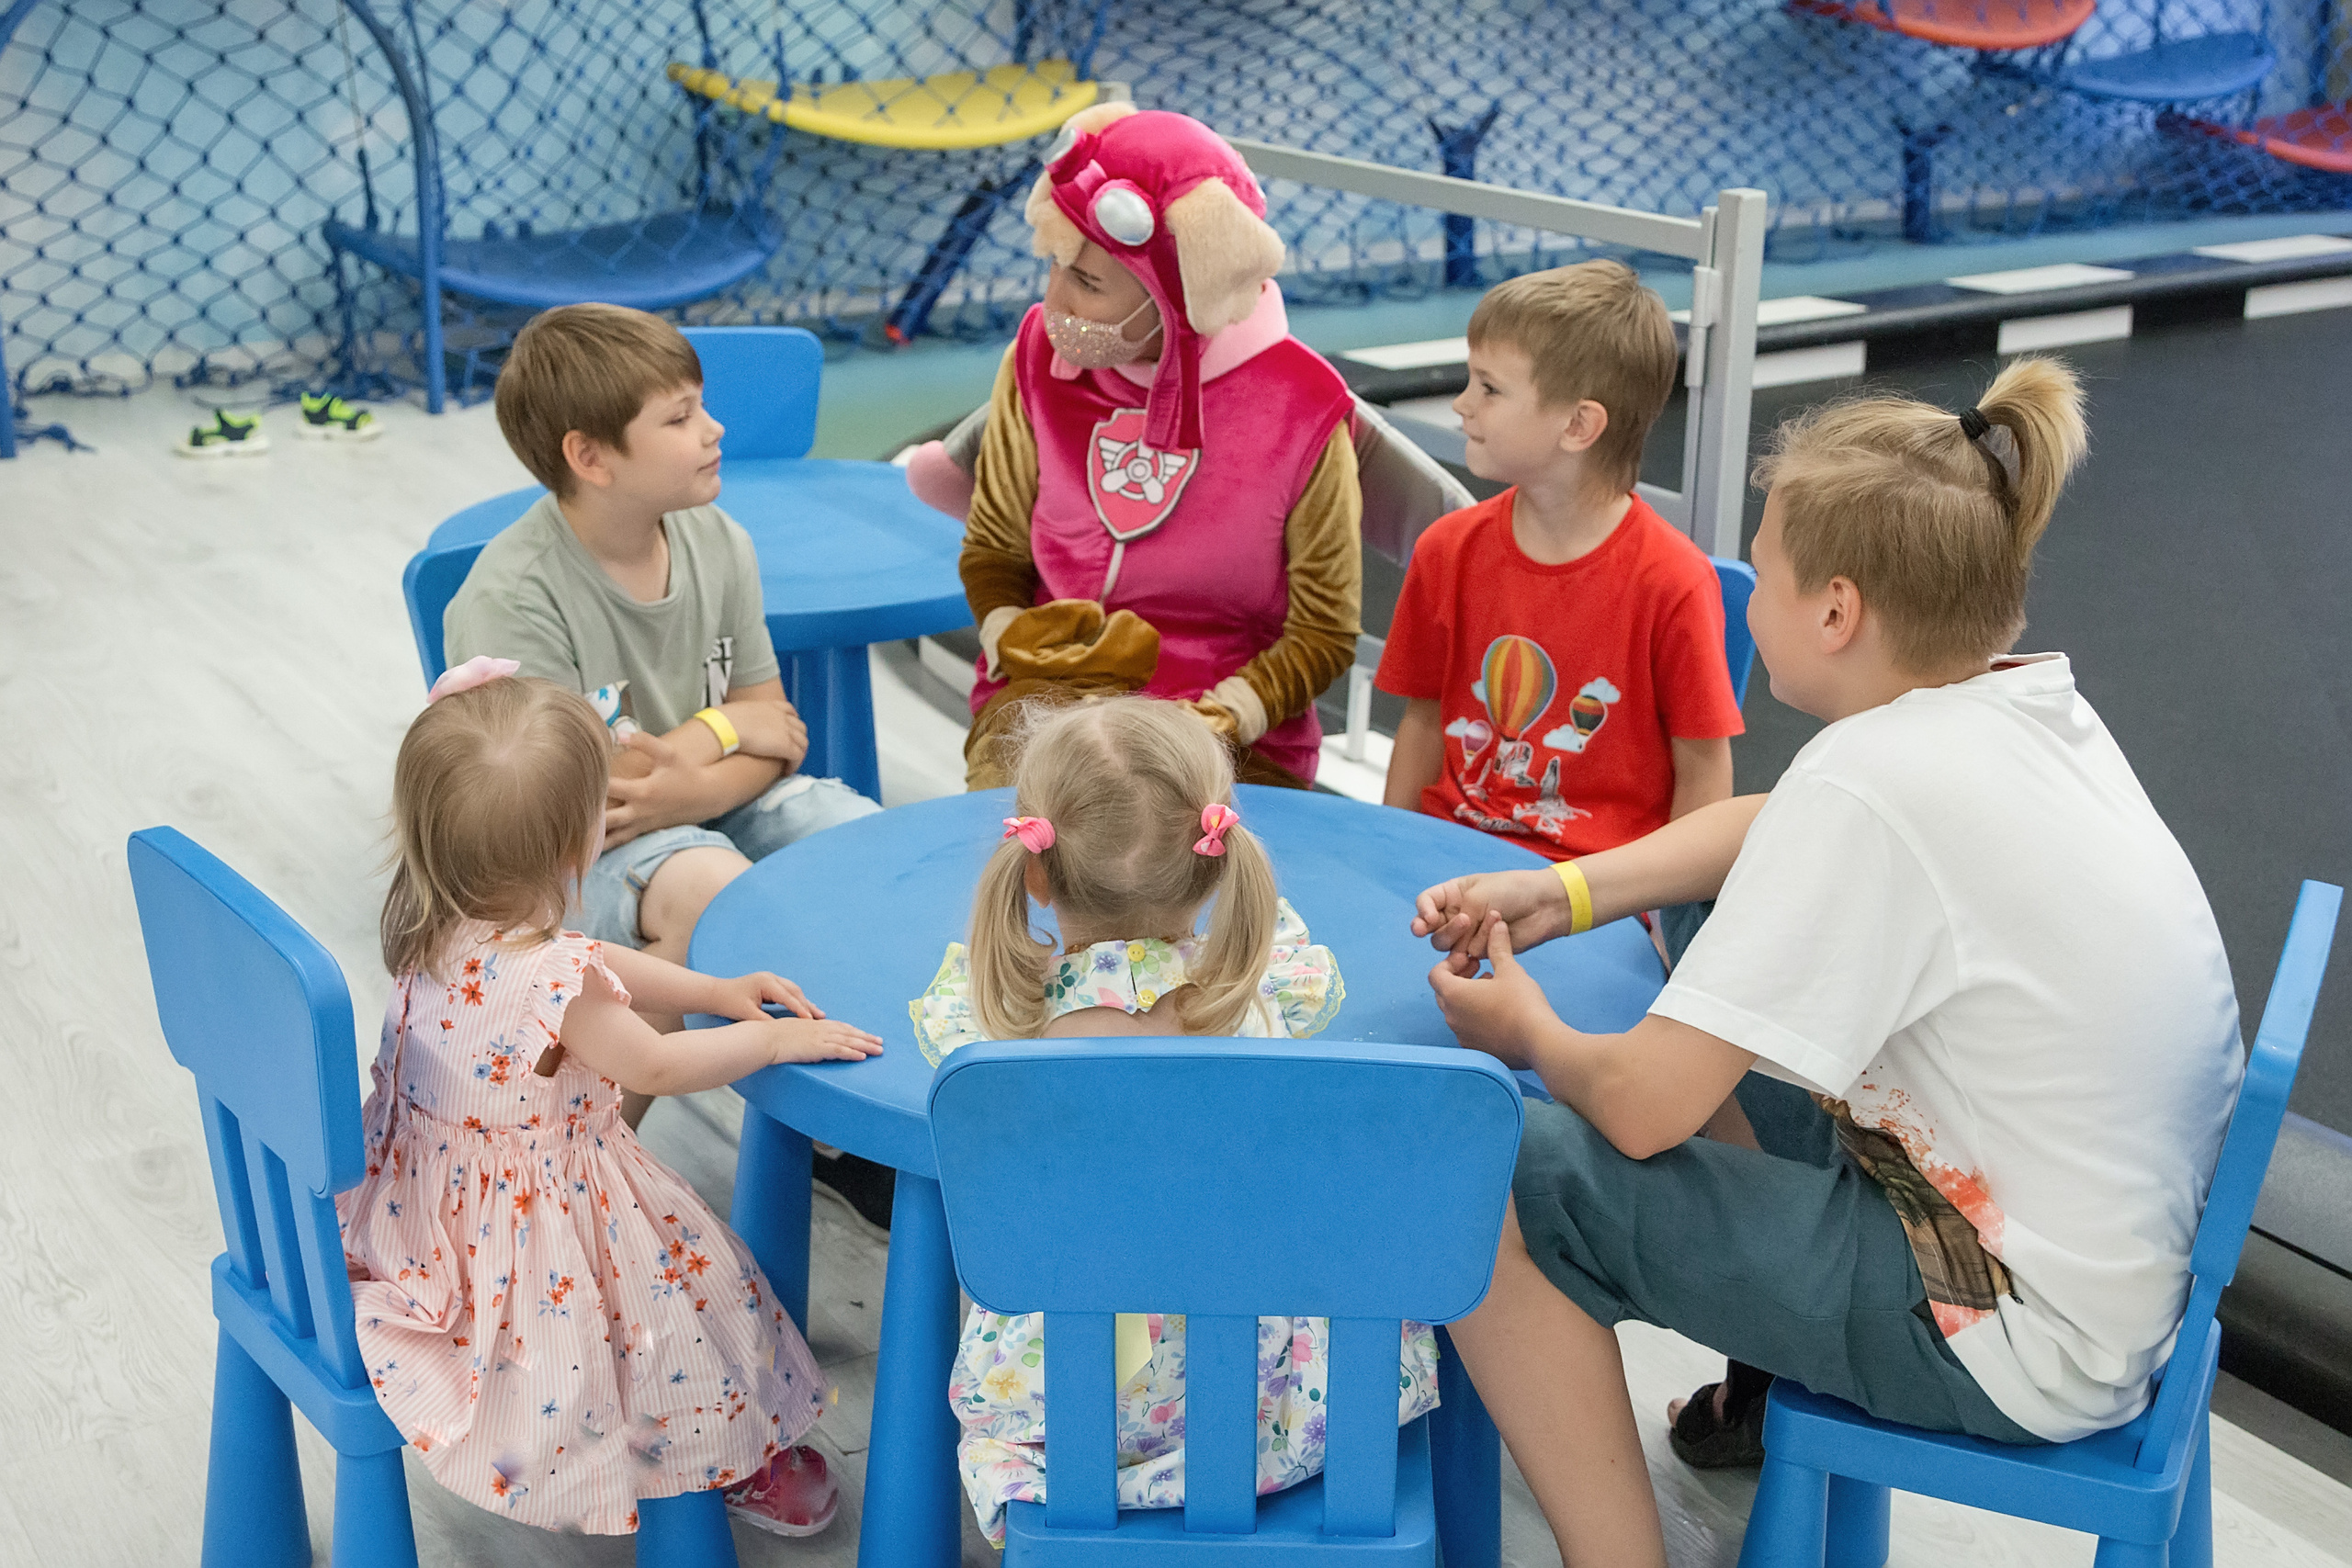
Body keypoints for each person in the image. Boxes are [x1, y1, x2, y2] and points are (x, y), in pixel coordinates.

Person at [1413, 358, 2245, 1568]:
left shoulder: (1876, 780)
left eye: (1765, 568)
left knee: (1484, 1170)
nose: (1746, 596)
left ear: (1838, 609)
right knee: (1708, 911)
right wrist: (1567, 888)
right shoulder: (2017, 707)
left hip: (2002, 1326)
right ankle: (1761, 1382)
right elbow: (1773, 825)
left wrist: (1529, 1031)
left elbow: (1642, 1112)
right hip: (2094, 1267)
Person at [339, 661, 886, 1536]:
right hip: (543, 1224)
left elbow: (590, 959)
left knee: (679, 1293)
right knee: (695, 1295)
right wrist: (778, 1039)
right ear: (576, 846)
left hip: (437, 1215)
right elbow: (659, 1067)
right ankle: (715, 1458)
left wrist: (712, 986)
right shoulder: (557, 982)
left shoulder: (436, 914)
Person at [906, 696, 1437, 1545]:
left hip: (1079, 1415)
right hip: (1281, 1403)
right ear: (1218, 860)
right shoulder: (1267, 991)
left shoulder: (996, 1029)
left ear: (1035, 869)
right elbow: (1299, 962)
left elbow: (955, 1032)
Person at [442, 303, 880, 1087]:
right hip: (569, 865)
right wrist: (730, 735)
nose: (714, 428)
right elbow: (575, 811)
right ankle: (631, 1146)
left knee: (859, 841)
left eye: (702, 405)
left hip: (701, 807)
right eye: (681, 417)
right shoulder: (513, 599)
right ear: (592, 457)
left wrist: (693, 753)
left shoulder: (720, 543)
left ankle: (863, 1067)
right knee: (711, 887)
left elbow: (778, 734)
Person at [908, 103, 1363, 790]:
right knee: (1031, 843)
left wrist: (1232, 711)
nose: (1052, 301)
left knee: (1161, 862)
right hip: (1047, 699)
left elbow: (1323, 633)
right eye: (1055, 265)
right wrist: (1006, 629)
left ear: (1181, 292)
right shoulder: (1035, 353)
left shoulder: (1301, 407)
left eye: (1087, 282)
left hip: (1230, 732)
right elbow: (995, 546)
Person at [1376, 262, 1743, 871]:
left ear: (1579, 425)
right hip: (1446, 863)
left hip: (1591, 890)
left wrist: (1672, 917)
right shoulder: (1447, 549)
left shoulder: (1672, 581)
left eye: (1489, 388)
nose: (1462, 404)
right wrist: (1389, 858)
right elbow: (1422, 722)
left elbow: (1703, 768)